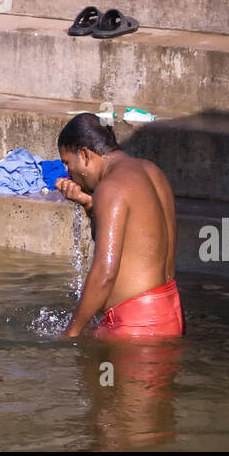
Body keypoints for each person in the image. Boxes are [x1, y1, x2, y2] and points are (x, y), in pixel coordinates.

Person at [55, 113, 183, 340]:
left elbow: (105, 273)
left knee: (81, 364)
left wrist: (70, 333)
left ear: (85, 154)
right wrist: (88, 204)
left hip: (136, 327)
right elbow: (133, 241)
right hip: (170, 314)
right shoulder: (152, 171)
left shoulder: (111, 187)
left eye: (67, 163)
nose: (68, 173)